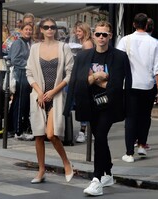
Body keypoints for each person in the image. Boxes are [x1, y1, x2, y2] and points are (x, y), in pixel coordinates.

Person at [64, 21, 131, 196]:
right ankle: (108, 173)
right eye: (98, 34)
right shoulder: (84, 56)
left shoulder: (120, 56)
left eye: (105, 34)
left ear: (110, 36)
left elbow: (117, 84)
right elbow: (77, 82)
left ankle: (97, 179)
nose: (101, 37)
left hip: (109, 105)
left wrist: (92, 80)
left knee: (100, 136)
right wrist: (97, 76)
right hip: (89, 104)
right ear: (93, 35)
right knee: (100, 139)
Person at [26, 17, 74, 184]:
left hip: (56, 96)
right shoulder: (35, 48)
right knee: (39, 135)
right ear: (41, 29)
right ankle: (41, 170)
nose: (49, 30)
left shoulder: (63, 48)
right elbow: (29, 73)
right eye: (46, 27)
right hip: (39, 96)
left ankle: (67, 163)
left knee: (51, 134)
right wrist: (39, 92)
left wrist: (53, 91)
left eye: (52, 27)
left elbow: (69, 74)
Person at [117, 13, 158, 163]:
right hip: (148, 84)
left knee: (131, 118)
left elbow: (118, 63)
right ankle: (142, 144)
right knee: (145, 117)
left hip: (130, 84)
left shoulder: (124, 40)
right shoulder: (154, 43)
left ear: (134, 24)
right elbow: (157, 69)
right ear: (146, 25)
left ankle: (129, 152)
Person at [8, 23, 34, 141]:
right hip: (20, 75)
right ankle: (18, 130)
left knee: (20, 103)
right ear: (21, 31)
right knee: (19, 103)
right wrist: (30, 65)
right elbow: (15, 59)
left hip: (26, 75)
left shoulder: (29, 43)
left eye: (30, 30)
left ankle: (13, 128)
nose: (28, 31)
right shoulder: (18, 42)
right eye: (26, 29)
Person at [75, 22, 94, 143]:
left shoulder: (87, 44)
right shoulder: (84, 43)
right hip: (84, 75)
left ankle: (84, 131)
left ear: (85, 32)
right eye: (76, 31)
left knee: (85, 104)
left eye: (79, 31)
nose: (77, 33)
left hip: (86, 77)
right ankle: (86, 131)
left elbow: (89, 62)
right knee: (84, 104)